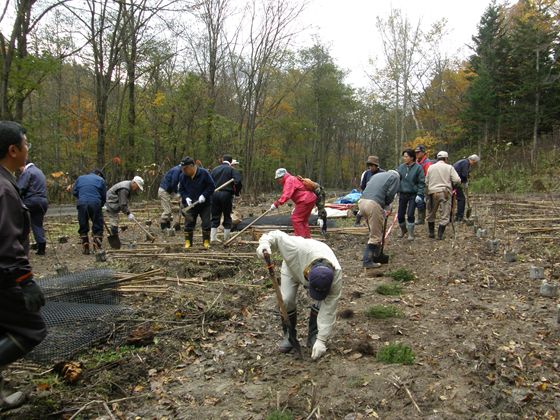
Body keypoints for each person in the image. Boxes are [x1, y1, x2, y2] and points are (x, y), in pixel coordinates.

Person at [0, 121, 47, 409]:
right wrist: (25, 279)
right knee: (31, 329)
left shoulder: (7, 181)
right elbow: (6, 242)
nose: (28, 149)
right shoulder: (4, 190)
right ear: (13, 149)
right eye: (26, 144)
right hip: (4, 277)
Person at [256, 230, 342, 360]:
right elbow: (274, 236)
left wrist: (321, 340)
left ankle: (314, 335)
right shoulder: (295, 247)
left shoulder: (335, 276)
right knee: (286, 300)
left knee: (322, 302)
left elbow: (329, 309)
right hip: (292, 267)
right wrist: (264, 245)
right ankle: (289, 335)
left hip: (315, 268)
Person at [358, 170, 400, 267]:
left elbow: (368, 186)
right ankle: (367, 261)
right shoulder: (395, 177)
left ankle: (376, 255)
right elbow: (391, 193)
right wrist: (387, 205)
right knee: (376, 235)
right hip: (373, 204)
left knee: (374, 231)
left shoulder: (377, 175)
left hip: (362, 202)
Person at [178, 157, 216, 249]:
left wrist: (204, 195)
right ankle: (188, 242)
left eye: (185, 168)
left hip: (204, 204)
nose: (183, 171)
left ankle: (206, 242)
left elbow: (212, 186)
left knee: (206, 223)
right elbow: (181, 189)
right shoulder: (183, 176)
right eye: (182, 169)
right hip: (190, 205)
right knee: (188, 223)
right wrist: (186, 197)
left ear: (192, 166)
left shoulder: (204, 173)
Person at [271, 168, 317, 238]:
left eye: (278, 179)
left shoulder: (289, 180)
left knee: (296, 219)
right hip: (310, 199)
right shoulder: (292, 178)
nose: (278, 181)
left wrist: (276, 204)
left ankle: (301, 240)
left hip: (305, 200)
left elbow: (286, 195)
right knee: (303, 220)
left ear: (281, 177)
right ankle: (307, 239)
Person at [426, 151, 462, 240]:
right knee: (445, 214)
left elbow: (426, 181)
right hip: (445, 192)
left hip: (432, 192)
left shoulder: (430, 167)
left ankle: (431, 233)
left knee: (431, 213)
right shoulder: (449, 167)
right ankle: (440, 235)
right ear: (446, 158)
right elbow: (457, 180)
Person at [17, 161, 48, 255]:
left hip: (31, 201)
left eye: (19, 168)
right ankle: (41, 246)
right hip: (43, 201)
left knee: (21, 223)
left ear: (23, 165)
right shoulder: (40, 171)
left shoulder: (28, 172)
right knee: (37, 224)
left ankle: (21, 247)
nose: (20, 170)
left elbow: (20, 188)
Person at [72, 169, 107, 254]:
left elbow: (74, 192)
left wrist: (82, 197)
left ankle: (86, 247)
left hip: (82, 203)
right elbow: (104, 195)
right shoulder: (101, 180)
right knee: (97, 224)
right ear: (99, 174)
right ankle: (97, 248)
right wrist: (101, 205)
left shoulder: (80, 178)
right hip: (95, 203)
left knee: (83, 224)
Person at [210, 155, 243, 242]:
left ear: (222, 160)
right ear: (231, 161)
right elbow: (238, 181)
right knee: (227, 216)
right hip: (226, 194)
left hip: (215, 194)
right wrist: (237, 192)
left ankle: (212, 238)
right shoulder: (231, 169)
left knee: (215, 215)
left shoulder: (215, 169)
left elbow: (209, 181)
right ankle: (226, 238)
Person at [395, 149, 425, 240]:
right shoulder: (401, 167)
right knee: (400, 214)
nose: (404, 158)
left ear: (412, 157)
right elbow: (396, 179)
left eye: (406, 156)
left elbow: (421, 182)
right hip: (402, 193)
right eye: (403, 156)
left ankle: (411, 233)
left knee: (410, 214)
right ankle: (403, 229)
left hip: (413, 194)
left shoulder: (418, 168)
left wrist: (420, 194)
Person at [354, 155, 385, 226]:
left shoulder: (383, 173)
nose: (370, 167)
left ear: (376, 165)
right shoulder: (366, 173)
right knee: (363, 208)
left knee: (377, 213)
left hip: (379, 196)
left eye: (372, 166)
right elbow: (363, 186)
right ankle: (358, 220)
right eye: (369, 166)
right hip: (368, 195)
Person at [453, 154, 480, 222]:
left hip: (453, 181)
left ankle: (455, 216)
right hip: (454, 182)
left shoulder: (463, 162)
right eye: (474, 162)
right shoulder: (466, 163)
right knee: (461, 199)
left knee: (455, 198)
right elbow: (464, 174)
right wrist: (465, 182)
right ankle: (459, 217)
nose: (474, 164)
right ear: (472, 160)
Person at [158, 163, 182, 231]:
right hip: (164, 191)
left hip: (169, 191)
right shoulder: (177, 170)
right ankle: (163, 226)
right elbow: (174, 182)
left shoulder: (178, 170)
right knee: (167, 210)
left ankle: (174, 224)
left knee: (177, 205)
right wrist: (176, 192)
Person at [414, 145, 433, 225]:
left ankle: (424, 219)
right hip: (417, 184)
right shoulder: (417, 161)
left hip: (425, 185)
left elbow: (428, 175)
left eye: (418, 152)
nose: (417, 154)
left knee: (423, 202)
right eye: (416, 152)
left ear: (423, 153)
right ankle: (420, 218)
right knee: (419, 202)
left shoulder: (427, 163)